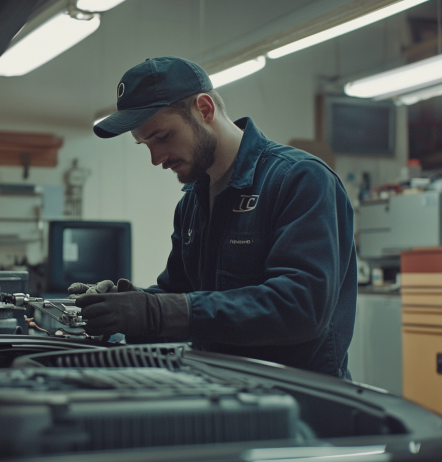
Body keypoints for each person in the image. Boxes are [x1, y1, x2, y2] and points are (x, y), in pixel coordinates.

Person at [71, 56, 356, 378]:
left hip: (300, 398)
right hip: (219, 389)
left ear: (204, 110)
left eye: (162, 137)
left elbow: (301, 307)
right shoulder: (193, 201)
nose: (156, 159)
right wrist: (129, 306)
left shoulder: (299, 179)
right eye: (144, 145)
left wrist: (157, 312)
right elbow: (181, 296)